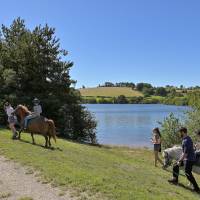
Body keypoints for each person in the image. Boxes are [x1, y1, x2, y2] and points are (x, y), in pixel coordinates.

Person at [168, 127, 200, 193]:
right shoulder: (185, 139)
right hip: (186, 157)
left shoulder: (186, 141)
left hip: (189, 159)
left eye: (180, 132)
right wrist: (179, 160)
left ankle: (196, 188)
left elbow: (185, 153)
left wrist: (180, 161)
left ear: (182, 132)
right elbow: (183, 152)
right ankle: (175, 179)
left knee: (187, 173)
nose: (179, 134)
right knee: (175, 165)